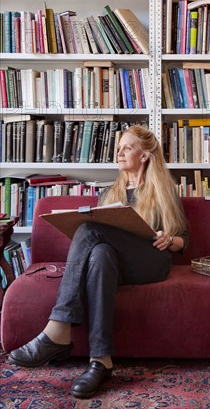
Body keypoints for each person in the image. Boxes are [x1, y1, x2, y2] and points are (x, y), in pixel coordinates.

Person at [8, 125, 189, 399]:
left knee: (88, 230)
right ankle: (101, 360)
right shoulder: (109, 193)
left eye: (127, 147)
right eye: (119, 148)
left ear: (145, 155)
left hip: (152, 261)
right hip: (117, 264)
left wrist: (170, 239)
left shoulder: (165, 190)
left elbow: (184, 237)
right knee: (101, 254)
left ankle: (59, 329)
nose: (119, 152)